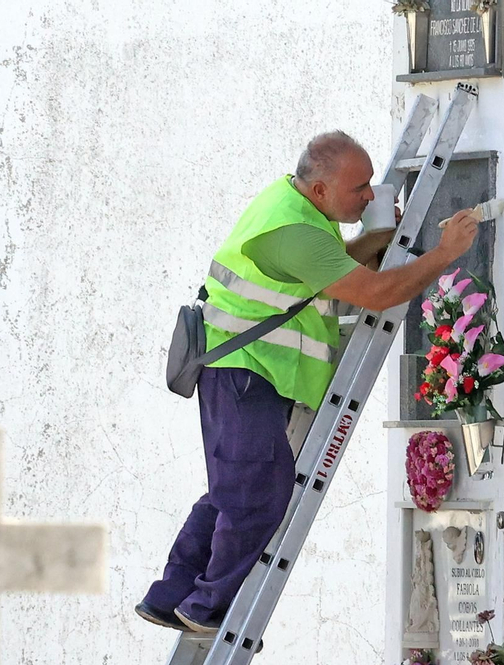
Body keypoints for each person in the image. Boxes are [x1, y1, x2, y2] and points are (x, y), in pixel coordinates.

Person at [135, 131, 481, 634]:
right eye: (359, 188)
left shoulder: (295, 208)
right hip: (244, 372)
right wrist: (446, 252)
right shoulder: (295, 234)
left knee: (232, 491)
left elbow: (325, 271)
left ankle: (169, 597)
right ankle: (205, 607)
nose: (370, 196)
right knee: (257, 497)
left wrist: (375, 240)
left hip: (247, 372)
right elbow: (378, 294)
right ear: (320, 190)